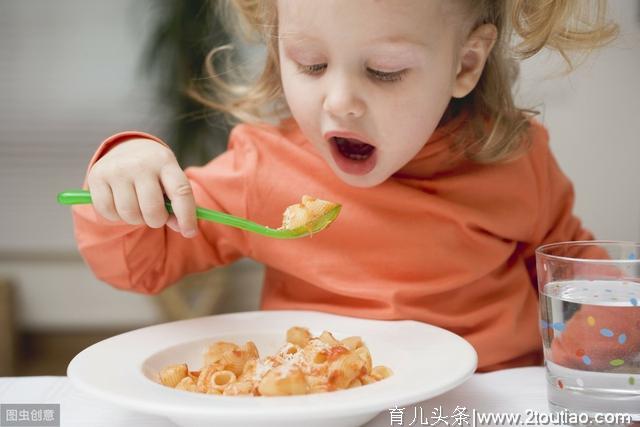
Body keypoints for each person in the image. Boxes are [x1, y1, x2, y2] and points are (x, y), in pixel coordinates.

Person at [71, 0, 617, 372]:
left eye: (383, 70)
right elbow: (140, 263)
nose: (339, 101)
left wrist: (599, 351)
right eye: (311, 64)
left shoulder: (517, 160)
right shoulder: (265, 170)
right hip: (320, 402)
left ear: (465, 63)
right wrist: (128, 176)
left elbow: (572, 270)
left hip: (484, 397)